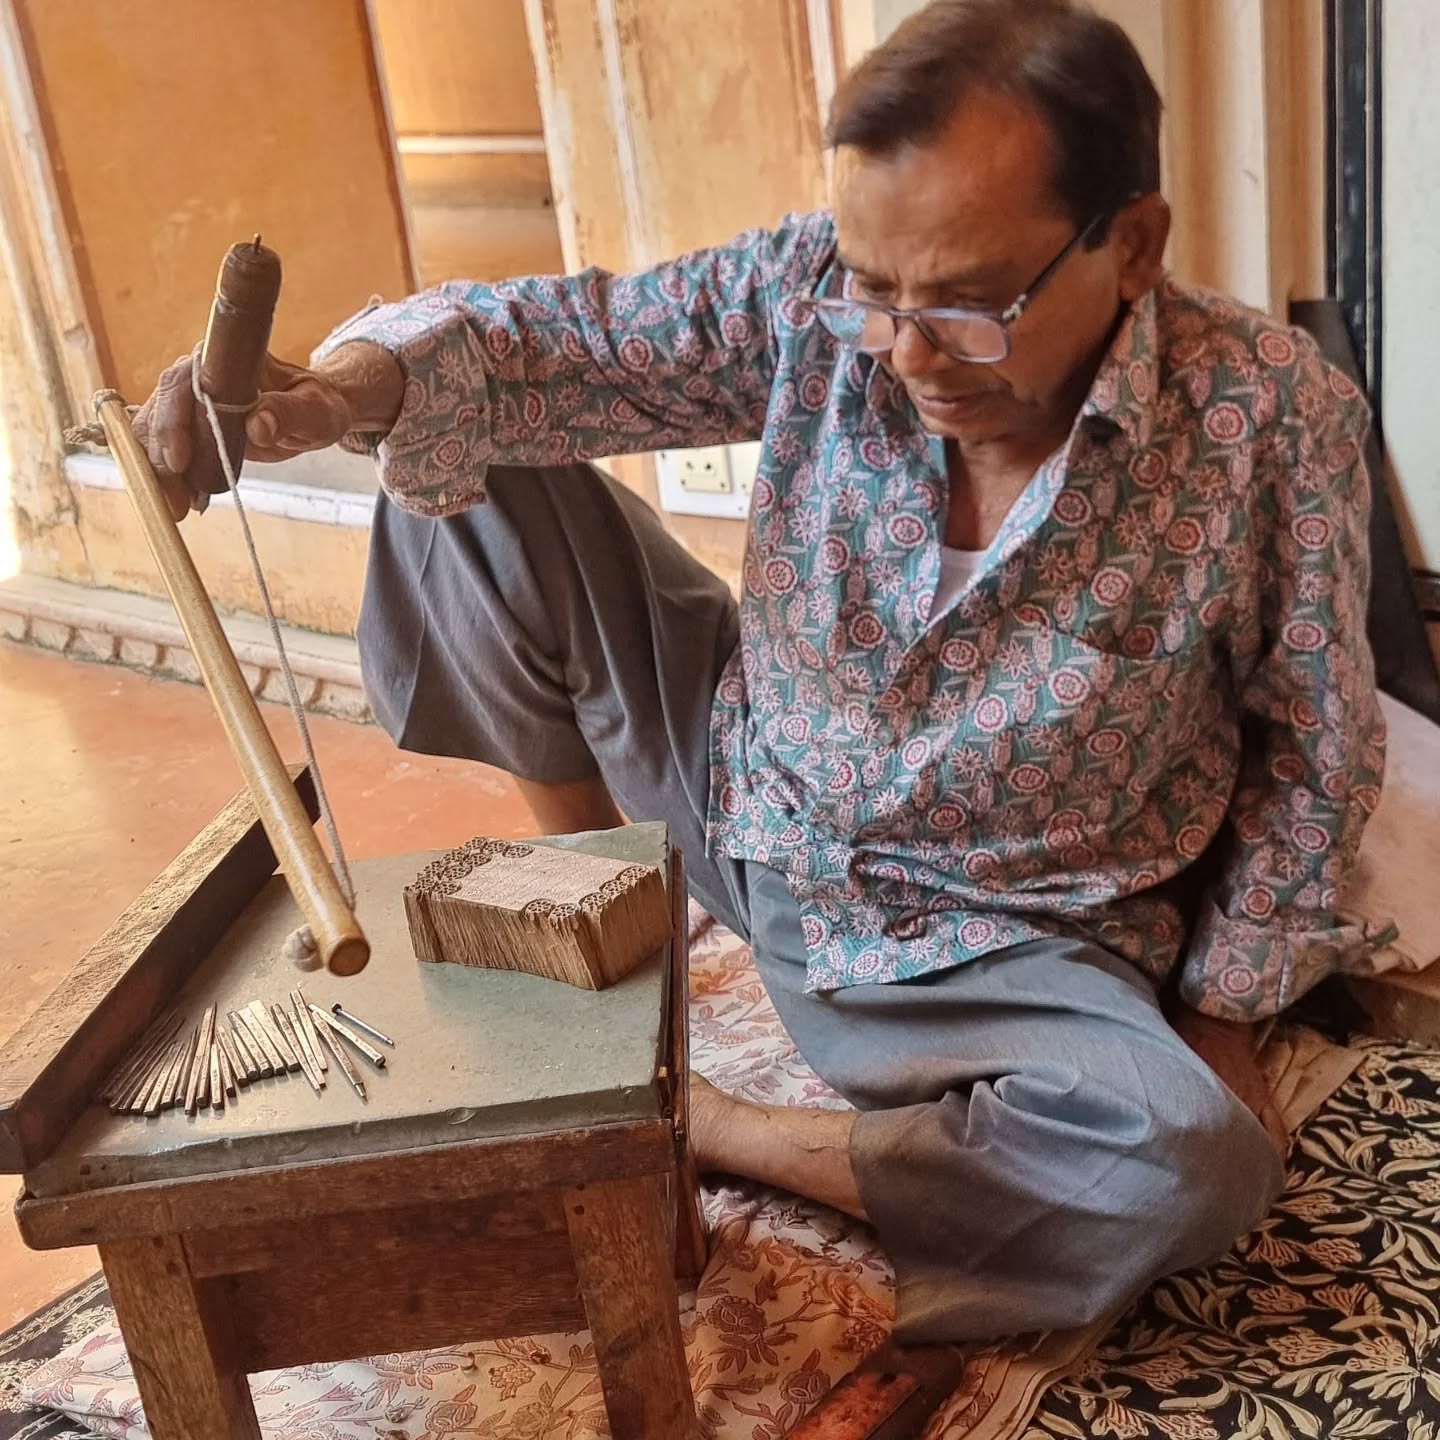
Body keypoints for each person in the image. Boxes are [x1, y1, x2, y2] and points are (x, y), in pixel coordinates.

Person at [137, 0, 1388, 1344]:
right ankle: (605, 918)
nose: (906, 355)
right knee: (460, 444)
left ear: (1131, 245)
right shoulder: (816, 291)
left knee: (1190, 1158)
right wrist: (333, 395)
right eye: (876, 292)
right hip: (746, 786)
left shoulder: (1269, 414)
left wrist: (1221, 1014)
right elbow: (564, 341)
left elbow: (1315, 743)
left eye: (969, 306)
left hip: (999, 927)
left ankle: (724, 1122)